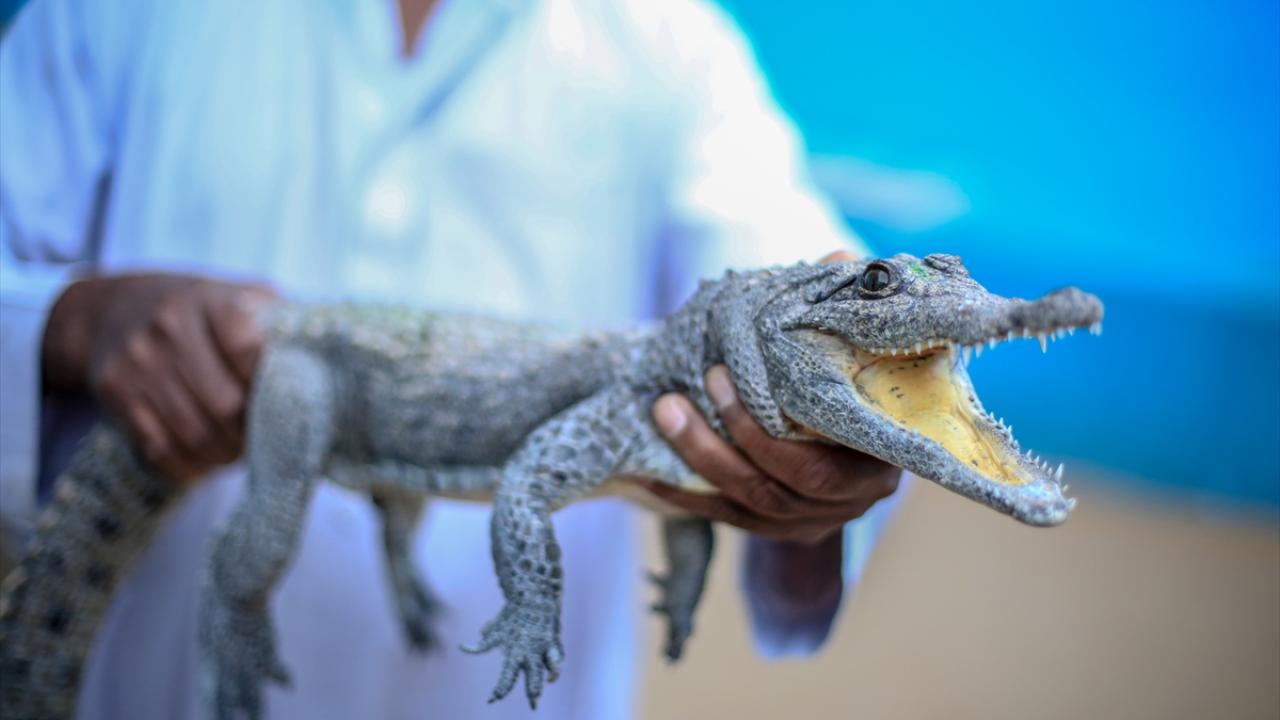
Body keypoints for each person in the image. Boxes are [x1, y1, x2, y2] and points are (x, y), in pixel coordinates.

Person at [0, 0, 901, 717]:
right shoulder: (107, 11)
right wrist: (71, 319)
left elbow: (796, 274)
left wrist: (824, 465)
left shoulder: (674, 47)